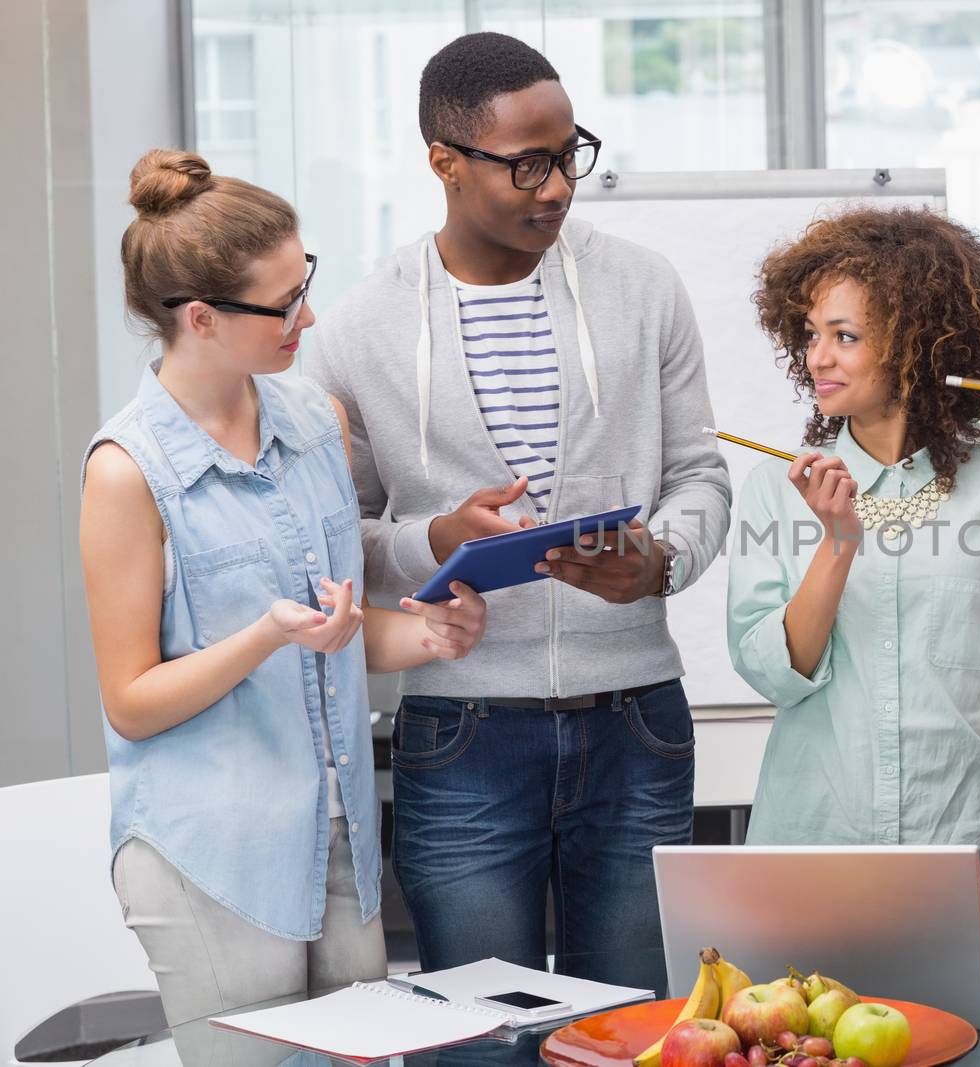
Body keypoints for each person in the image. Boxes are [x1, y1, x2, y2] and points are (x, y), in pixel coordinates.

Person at [302, 32, 731, 990]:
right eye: (528, 164)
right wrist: (434, 541)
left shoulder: (644, 288)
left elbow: (701, 473)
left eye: (570, 153)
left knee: (628, 1032)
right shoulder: (362, 327)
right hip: (461, 733)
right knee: (479, 1035)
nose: (558, 188)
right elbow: (343, 541)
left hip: (636, 723)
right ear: (444, 165)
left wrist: (659, 561)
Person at [80, 149, 488, 1026]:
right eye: (284, 301)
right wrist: (263, 633)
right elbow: (132, 702)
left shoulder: (314, 421)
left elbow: (335, 630)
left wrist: (428, 634)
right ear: (201, 316)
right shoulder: (127, 472)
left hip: (338, 838)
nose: (309, 314)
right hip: (213, 854)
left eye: (305, 279)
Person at [726, 206, 980, 950]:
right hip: (811, 855)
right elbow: (773, 672)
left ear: (919, 345)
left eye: (846, 336)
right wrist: (838, 544)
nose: (819, 357)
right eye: (811, 334)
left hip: (968, 859)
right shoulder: (774, 491)